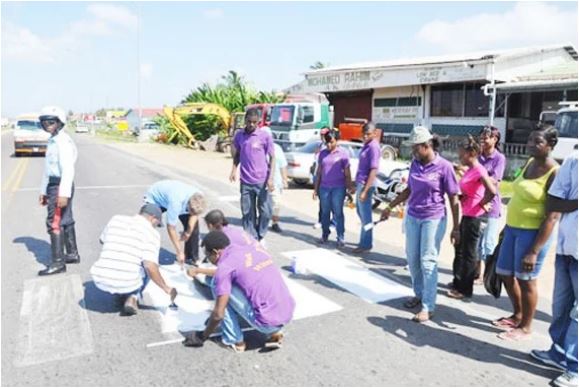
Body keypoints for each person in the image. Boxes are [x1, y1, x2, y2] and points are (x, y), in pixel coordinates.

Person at [380, 126, 460, 322]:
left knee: (428, 261)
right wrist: (390, 206)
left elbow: (454, 198)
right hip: (413, 217)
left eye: (416, 148)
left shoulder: (444, 167)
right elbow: (409, 190)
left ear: (427, 145)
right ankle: (419, 294)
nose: (413, 151)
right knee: (413, 259)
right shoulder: (415, 163)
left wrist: (457, 228)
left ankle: (428, 306)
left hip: (433, 218)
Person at [493, 125, 560, 340]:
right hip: (512, 229)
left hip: (532, 235)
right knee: (504, 272)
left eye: (537, 142)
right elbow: (518, 196)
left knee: (526, 279)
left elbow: (553, 216)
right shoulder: (530, 162)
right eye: (530, 140)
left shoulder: (554, 172)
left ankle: (526, 327)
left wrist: (534, 250)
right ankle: (517, 314)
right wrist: (506, 227)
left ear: (550, 145)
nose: (530, 145)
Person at [183, 231, 295, 352]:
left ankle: (235, 341)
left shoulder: (225, 267)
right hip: (288, 312)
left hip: (266, 322)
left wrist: (202, 336)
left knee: (218, 285)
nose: (208, 260)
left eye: (208, 256)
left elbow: (218, 314)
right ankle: (275, 331)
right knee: (235, 283)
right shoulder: (250, 250)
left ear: (216, 252)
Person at [530, 151, 577, 387]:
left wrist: (570, 203)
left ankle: (575, 366)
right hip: (566, 249)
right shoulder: (573, 161)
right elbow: (553, 202)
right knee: (561, 308)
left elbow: (562, 201)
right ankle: (557, 353)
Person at [90, 204, 177, 315]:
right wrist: (166, 288)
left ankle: (122, 290)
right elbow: (150, 266)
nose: (155, 226)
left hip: (100, 279)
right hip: (127, 282)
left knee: (122, 252)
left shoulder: (116, 219)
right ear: (153, 217)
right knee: (149, 265)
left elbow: (102, 240)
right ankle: (133, 297)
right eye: (157, 223)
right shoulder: (152, 233)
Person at [447, 136, 497, 300]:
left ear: (472, 153)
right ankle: (458, 282)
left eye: (462, 155)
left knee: (469, 253)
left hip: (475, 217)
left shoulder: (479, 170)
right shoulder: (469, 169)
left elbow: (492, 191)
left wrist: (482, 203)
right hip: (467, 214)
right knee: (460, 249)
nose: (460, 158)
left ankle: (465, 289)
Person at [37, 106, 80, 276]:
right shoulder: (53, 140)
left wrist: (63, 193)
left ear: (60, 122)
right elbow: (48, 169)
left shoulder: (62, 142)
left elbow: (68, 168)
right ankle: (71, 254)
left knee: (54, 222)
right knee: (66, 219)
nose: (47, 125)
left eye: (51, 122)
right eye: (44, 122)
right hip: (54, 185)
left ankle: (58, 262)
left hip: (61, 185)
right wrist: (43, 191)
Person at [230, 109, 275, 243]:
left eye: (255, 122)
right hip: (246, 181)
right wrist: (233, 169)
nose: (251, 125)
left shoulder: (264, 136)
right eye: (249, 122)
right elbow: (237, 154)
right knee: (247, 212)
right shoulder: (240, 135)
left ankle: (260, 234)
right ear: (245, 121)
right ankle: (252, 238)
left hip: (262, 181)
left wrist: (271, 179)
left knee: (266, 211)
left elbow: (273, 157)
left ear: (259, 122)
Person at [143, 180, 206, 266]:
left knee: (193, 227)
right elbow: (171, 228)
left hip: (176, 196)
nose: (192, 215)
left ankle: (191, 257)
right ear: (188, 206)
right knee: (147, 225)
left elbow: (194, 215)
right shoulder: (176, 203)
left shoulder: (199, 196)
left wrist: (188, 232)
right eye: (190, 212)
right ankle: (142, 253)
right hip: (155, 198)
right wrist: (179, 251)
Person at [475, 125, 506, 284]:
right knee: (477, 243)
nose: (483, 140)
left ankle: (489, 276)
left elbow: (495, 181)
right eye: (481, 137)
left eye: (486, 137)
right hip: (477, 205)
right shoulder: (478, 156)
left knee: (489, 244)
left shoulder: (499, 158)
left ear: (495, 139)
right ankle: (478, 274)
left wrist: (479, 177)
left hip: (491, 206)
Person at [313, 128, 352, 248]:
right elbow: (319, 172)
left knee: (338, 212)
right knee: (325, 212)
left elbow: (347, 173)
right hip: (324, 187)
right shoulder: (323, 154)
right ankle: (325, 234)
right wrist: (316, 189)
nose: (329, 145)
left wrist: (349, 188)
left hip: (338, 188)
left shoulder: (343, 154)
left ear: (337, 141)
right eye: (327, 142)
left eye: (332, 142)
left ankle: (340, 237)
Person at [353, 122, 381, 254]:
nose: (365, 136)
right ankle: (366, 239)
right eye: (363, 133)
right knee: (361, 213)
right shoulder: (367, 145)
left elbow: (373, 170)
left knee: (366, 216)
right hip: (360, 182)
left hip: (366, 185)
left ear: (375, 133)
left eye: (368, 134)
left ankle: (365, 244)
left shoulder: (374, 147)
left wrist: (365, 190)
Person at [262, 127, 288, 234]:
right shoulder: (259, 148)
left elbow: (283, 165)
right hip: (261, 181)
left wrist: (285, 179)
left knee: (276, 203)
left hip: (276, 182)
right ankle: (263, 221)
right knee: (263, 203)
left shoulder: (277, 148)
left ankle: (275, 223)